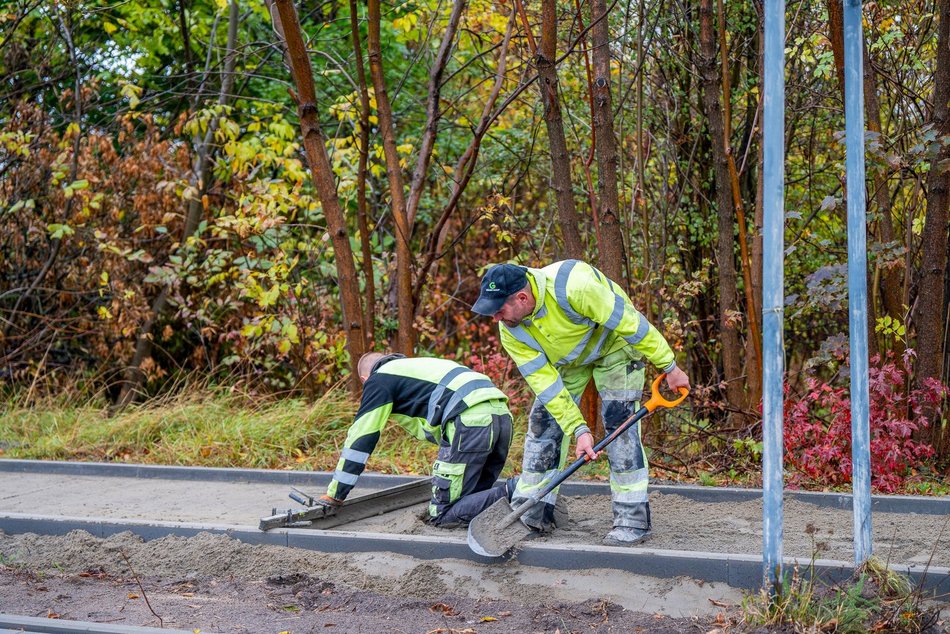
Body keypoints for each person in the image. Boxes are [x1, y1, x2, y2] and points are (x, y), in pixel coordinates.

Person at [472, 260, 691, 546]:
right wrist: (578, 429)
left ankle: (632, 518)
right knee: (543, 424)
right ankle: (532, 511)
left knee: (619, 426)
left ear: (522, 298)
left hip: (615, 347)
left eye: (499, 310)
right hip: (571, 362)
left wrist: (670, 366)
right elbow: (547, 386)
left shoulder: (575, 287)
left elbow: (631, 325)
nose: (495, 319)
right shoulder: (511, 330)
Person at [318, 352, 514, 527]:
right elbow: (432, 424)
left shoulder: (379, 380)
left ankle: (520, 489)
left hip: (470, 420)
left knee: (442, 514)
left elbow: (361, 438)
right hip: (502, 415)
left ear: (364, 379)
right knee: (472, 499)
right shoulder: (415, 369)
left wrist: (335, 494)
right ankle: (532, 498)